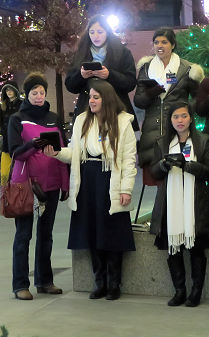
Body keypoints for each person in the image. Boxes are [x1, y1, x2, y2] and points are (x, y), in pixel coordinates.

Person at [45, 79, 137, 301]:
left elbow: (129, 160)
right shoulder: (82, 120)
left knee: (111, 233)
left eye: (96, 97)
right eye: (90, 97)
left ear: (106, 98)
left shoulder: (123, 122)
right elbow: (75, 152)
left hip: (110, 180)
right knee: (92, 233)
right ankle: (100, 282)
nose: (91, 100)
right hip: (87, 180)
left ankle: (114, 284)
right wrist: (57, 153)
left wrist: (126, 189)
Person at [149, 103, 209, 307]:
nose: (180, 120)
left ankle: (196, 291)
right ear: (170, 120)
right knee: (173, 248)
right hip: (170, 203)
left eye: (184, 116)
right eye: (176, 117)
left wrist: (188, 166)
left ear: (190, 119)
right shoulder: (163, 143)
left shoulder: (203, 141)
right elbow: (154, 171)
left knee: (196, 249)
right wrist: (163, 165)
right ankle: (179, 291)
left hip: (195, 203)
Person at [8, 72, 69, 300]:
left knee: (46, 235)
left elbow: (62, 151)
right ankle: (20, 284)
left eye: (42, 92)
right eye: (34, 92)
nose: (39, 96)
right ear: (27, 94)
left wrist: (65, 183)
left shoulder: (53, 117)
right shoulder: (17, 118)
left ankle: (45, 281)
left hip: (51, 185)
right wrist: (33, 145)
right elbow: (15, 152)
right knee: (23, 236)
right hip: (26, 186)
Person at [134, 27, 205, 186]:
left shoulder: (187, 69)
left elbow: (198, 99)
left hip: (178, 131)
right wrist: (153, 91)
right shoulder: (146, 68)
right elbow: (139, 101)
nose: (160, 45)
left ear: (172, 44)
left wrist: (184, 112)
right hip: (151, 134)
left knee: (178, 180)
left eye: (164, 42)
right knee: (158, 183)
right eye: (156, 42)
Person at [65, 15, 138, 128]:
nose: (96, 36)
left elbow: (130, 83)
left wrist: (110, 75)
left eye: (100, 31)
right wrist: (81, 76)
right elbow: (70, 85)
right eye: (92, 32)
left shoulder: (122, 52)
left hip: (115, 108)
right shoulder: (80, 53)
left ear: (107, 32)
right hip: (87, 110)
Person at [1, 80, 22, 185]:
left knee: (18, 170)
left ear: (15, 90)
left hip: (19, 141)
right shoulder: (3, 106)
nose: (8, 92)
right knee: (4, 171)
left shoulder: (22, 105)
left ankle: (18, 193)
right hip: (6, 142)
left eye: (10, 89)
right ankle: (4, 192)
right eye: (6, 90)